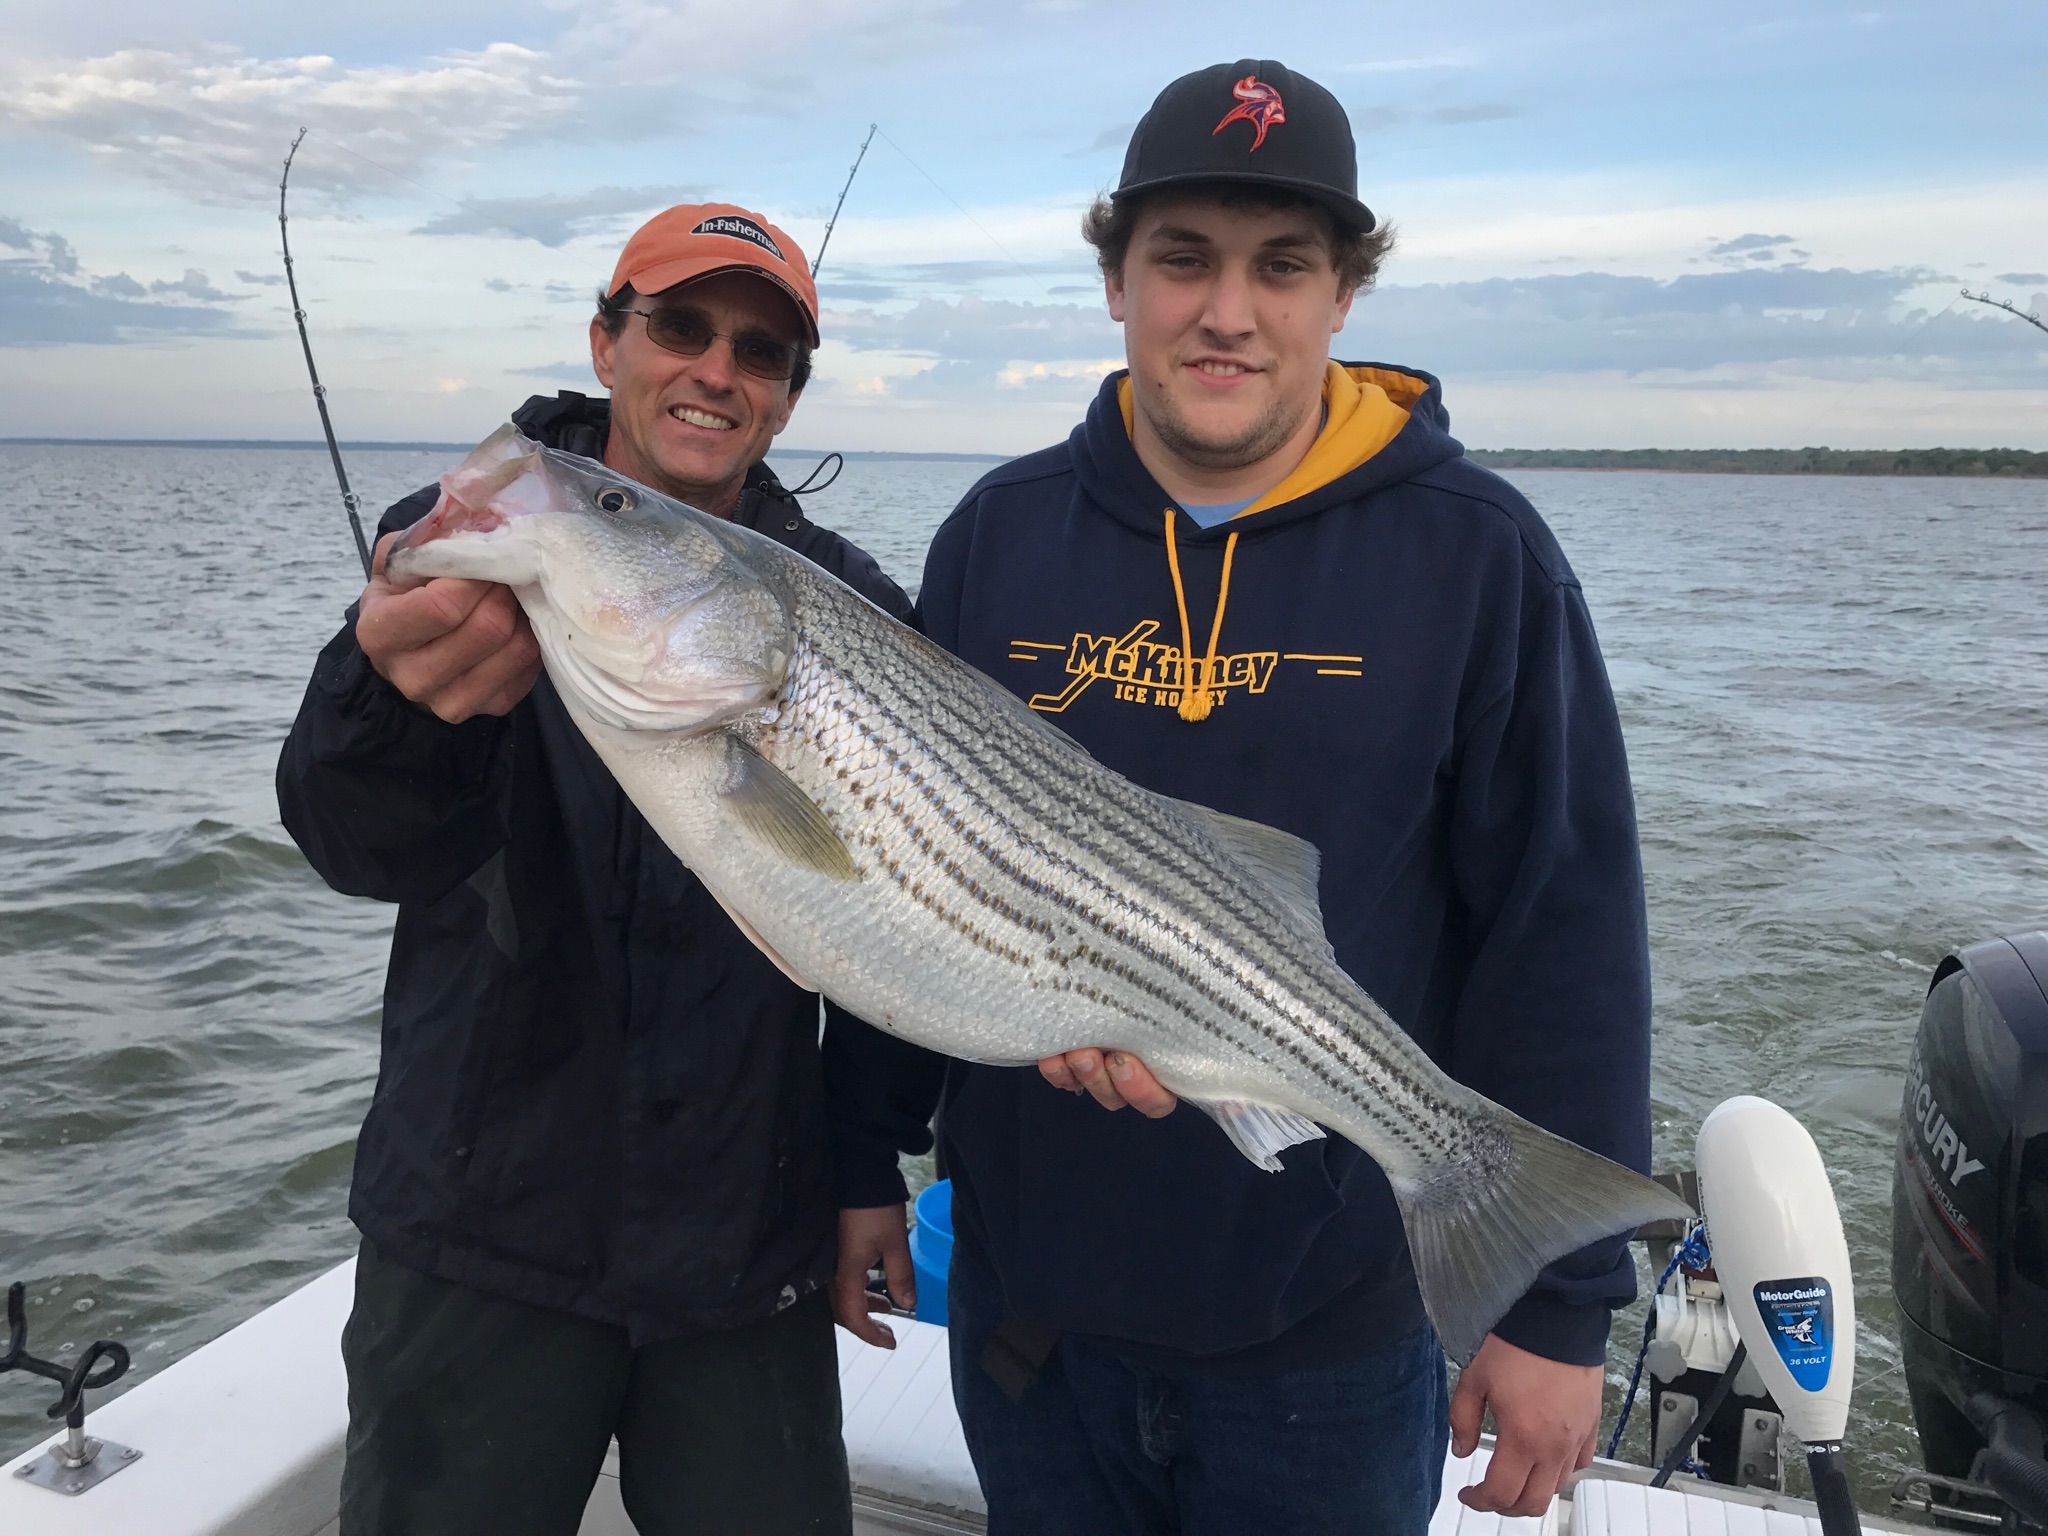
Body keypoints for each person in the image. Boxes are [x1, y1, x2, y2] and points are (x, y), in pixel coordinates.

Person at [833, 61, 1657, 1533]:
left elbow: (1565, 932)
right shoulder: (998, 532)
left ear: (1344, 294)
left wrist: (1560, 1307)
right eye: (1183, 258)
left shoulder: (1478, 556)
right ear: (1115, 280)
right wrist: (856, 1164)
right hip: (1037, 1323)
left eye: (1283, 265)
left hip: (1330, 1340)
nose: (1228, 310)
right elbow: (895, 861)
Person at [279, 203, 925, 1536]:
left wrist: (871, 1166)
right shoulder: (476, 540)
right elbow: (352, 843)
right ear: (606, 339)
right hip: (479, 1218)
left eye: (761, 353)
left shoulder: (853, 612)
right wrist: (388, 700)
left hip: (748, 1243)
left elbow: (885, 929)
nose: (716, 371)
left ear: (788, 399)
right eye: (680, 326)